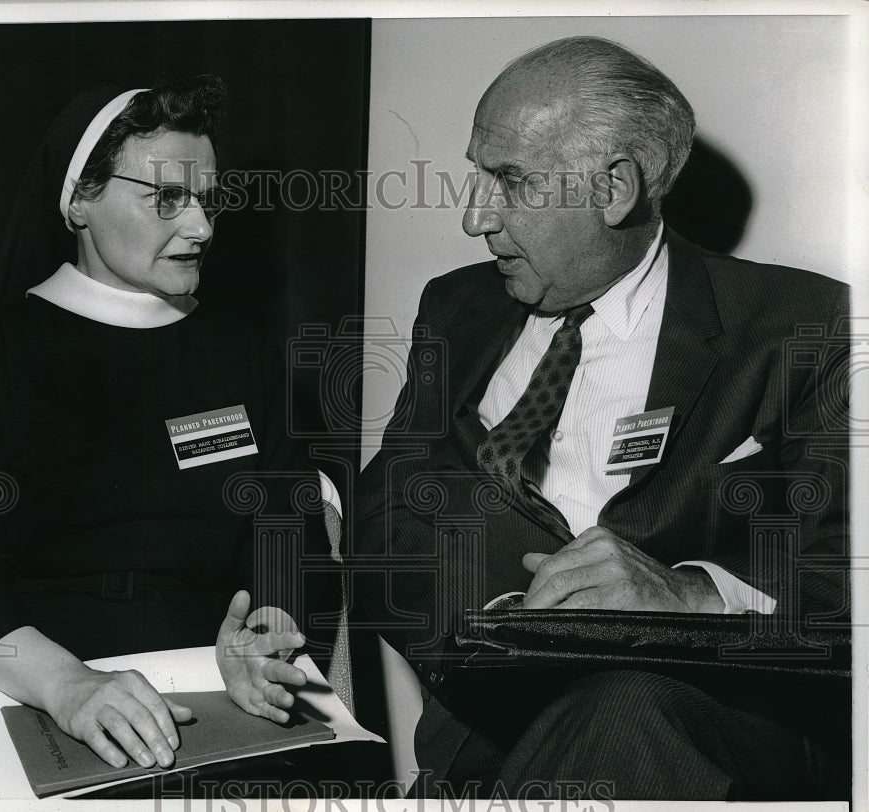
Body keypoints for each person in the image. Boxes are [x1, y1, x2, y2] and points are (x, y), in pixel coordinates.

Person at [354, 36, 849, 801]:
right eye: (476, 174)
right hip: (495, 732)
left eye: (509, 181)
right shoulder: (456, 308)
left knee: (626, 711)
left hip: (701, 727)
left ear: (615, 188)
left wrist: (693, 596)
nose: (472, 217)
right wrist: (500, 622)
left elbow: (845, 570)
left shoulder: (798, 323)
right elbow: (384, 515)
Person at [0, 76, 334, 784]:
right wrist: (68, 686)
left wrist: (265, 636)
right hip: (30, 686)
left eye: (207, 199)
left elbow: (285, 526)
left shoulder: (240, 352)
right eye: (167, 199)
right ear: (80, 197)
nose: (201, 228)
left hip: (213, 690)